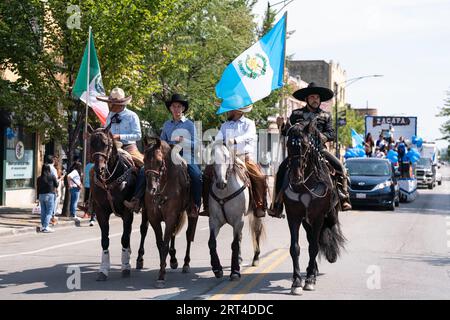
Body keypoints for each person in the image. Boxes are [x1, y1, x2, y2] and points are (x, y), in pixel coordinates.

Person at [269, 82, 352, 218]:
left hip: (319, 150)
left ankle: (343, 197)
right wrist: (282, 125)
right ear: (307, 99)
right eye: (312, 97)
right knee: (282, 170)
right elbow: (287, 132)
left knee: (340, 167)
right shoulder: (296, 114)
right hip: (300, 151)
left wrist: (323, 137)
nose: (315, 100)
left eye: (317, 98)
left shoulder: (326, 116)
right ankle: (277, 203)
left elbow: (332, 134)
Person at [125, 94, 203, 217]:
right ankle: (137, 200)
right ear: (170, 109)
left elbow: (197, 144)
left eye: (179, 107)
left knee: (196, 175)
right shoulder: (167, 125)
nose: (176, 109)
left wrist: (183, 141)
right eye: (174, 107)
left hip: (186, 154)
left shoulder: (189, 124)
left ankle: (195, 205)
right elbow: (161, 142)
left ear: (183, 108)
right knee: (144, 170)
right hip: (168, 155)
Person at [201, 104, 269, 218]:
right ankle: (207, 206)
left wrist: (236, 140)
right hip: (226, 157)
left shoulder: (249, 123)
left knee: (260, 177)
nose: (227, 112)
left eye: (229, 109)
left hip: (244, 157)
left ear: (237, 111)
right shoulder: (225, 125)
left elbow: (250, 135)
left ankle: (260, 205)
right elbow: (218, 138)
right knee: (206, 173)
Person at [97, 87, 144, 167]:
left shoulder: (132, 116)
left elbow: (138, 136)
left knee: (143, 167)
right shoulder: (109, 116)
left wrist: (120, 137)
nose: (109, 105)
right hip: (111, 149)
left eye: (111, 103)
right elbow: (105, 132)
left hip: (129, 148)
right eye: (109, 102)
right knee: (95, 167)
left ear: (119, 104)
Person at [37, 164, 59, 233]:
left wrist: (37, 197)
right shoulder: (52, 176)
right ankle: (45, 226)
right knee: (49, 212)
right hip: (49, 195)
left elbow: (38, 188)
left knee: (43, 211)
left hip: (41, 195)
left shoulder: (39, 178)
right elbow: (56, 185)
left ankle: (43, 225)